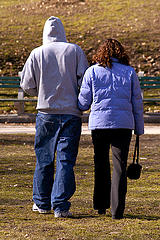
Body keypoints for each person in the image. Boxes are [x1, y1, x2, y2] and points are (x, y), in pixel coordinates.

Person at [20, 16, 88, 218]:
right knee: (66, 160)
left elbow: (26, 85)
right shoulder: (74, 50)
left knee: (44, 158)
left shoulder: (37, 53)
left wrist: (39, 93)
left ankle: (41, 202)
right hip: (70, 112)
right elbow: (84, 80)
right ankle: (60, 205)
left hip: (46, 112)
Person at [78, 39, 144, 219]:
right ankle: (117, 210)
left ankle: (101, 205)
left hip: (100, 124)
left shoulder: (92, 72)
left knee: (100, 164)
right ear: (121, 53)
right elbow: (137, 102)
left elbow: (83, 103)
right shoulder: (130, 73)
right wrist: (139, 128)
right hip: (123, 125)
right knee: (119, 166)